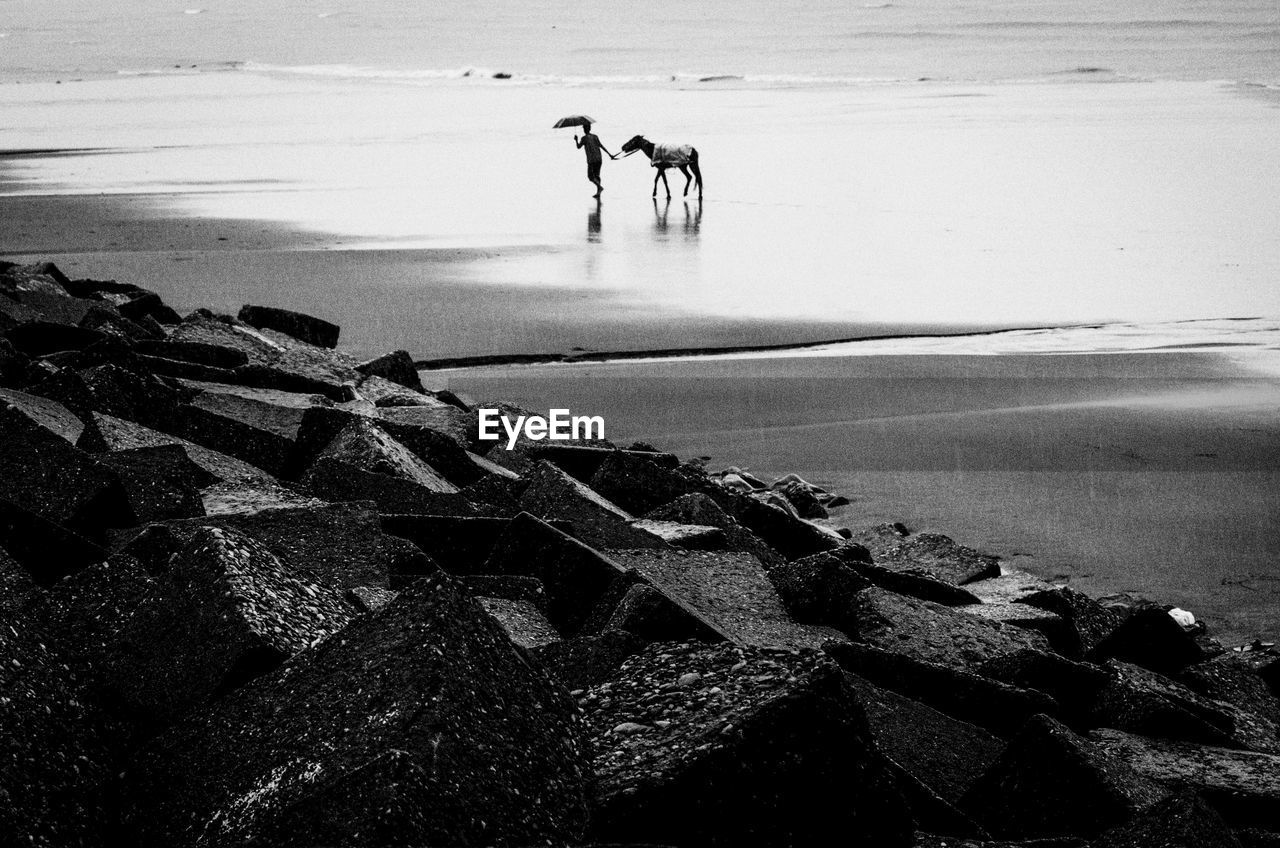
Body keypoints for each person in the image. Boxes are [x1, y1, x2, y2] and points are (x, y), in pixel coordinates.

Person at [574, 122, 616, 198]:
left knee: (590, 176)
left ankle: (599, 188)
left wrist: (576, 140)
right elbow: (601, 146)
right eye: (584, 128)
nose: (584, 129)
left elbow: (578, 147)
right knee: (597, 175)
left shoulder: (584, 138)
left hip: (591, 160)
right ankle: (598, 192)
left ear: (587, 129)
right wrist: (610, 154)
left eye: (585, 128)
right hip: (599, 158)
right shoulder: (595, 136)